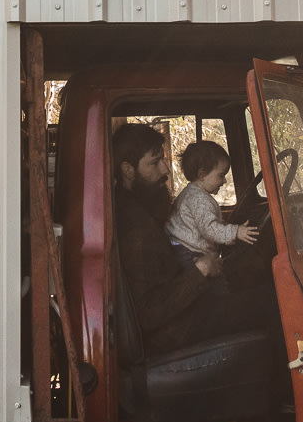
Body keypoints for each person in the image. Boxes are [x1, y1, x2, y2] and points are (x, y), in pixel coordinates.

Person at [110, 124, 276, 357]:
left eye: (164, 160)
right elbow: (148, 313)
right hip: (176, 331)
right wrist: (202, 269)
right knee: (273, 301)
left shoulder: (144, 208)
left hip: (185, 312)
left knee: (253, 283)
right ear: (128, 170)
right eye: (155, 162)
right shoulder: (135, 225)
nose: (165, 169)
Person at [166, 139, 259, 272]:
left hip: (187, 250)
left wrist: (227, 236)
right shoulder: (198, 200)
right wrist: (235, 232)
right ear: (202, 175)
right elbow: (210, 230)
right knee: (217, 283)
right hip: (189, 254)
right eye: (221, 176)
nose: (224, 181)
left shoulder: (192, 194)